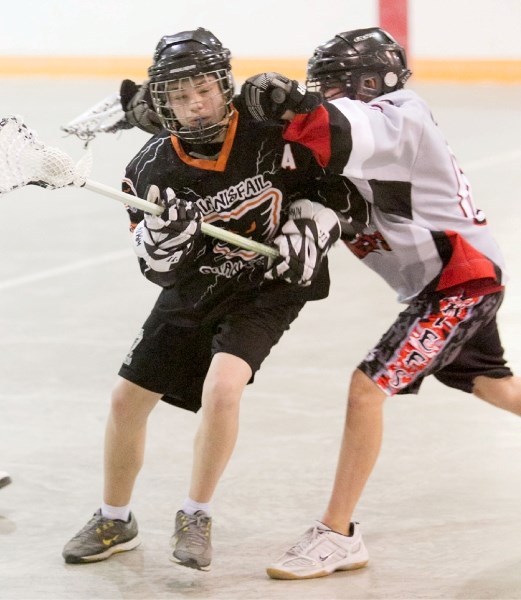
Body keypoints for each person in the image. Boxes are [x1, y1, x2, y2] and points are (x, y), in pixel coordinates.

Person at [239, 27, 521, 580]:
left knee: (366, 389)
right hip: (444, 282)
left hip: (459, 279)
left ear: (373, 82)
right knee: (492, 384)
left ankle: (338, 534)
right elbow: (293, 160)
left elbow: (336, 131)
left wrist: (292, 104)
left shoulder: (400, 115)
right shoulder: (359, 125)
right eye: (321, 85)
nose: (326, 93)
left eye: (336, 84)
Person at [62, 27, 343, 570]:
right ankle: (115, 518)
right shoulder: (147, 170)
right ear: (162, 103)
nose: (195, 105)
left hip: (270, 281)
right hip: (201, 281)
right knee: (126, 400)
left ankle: (196, 513)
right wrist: (170, 247)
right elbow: (157, 270)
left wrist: (313, 224)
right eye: (180, 95)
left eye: (205, 90)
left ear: (225, 84)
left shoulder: (269, 130)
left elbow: (335, 186)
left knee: (223, 387)